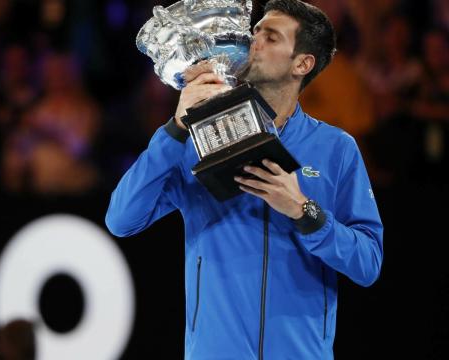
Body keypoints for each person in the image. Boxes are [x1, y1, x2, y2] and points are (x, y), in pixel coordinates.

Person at [105, 1, 383, 359]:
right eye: (255, 32)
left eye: (271, 37)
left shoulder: (337, 149)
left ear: (302, 63)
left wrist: (304, 211)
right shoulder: (197, 140)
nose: (254, 41)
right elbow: (121, 220)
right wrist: (176, 128)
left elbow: (368, 264)